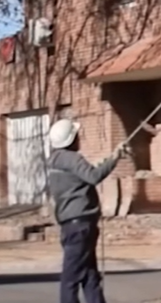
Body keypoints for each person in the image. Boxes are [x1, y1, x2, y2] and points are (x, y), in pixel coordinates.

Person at [46, 118, 127, 303]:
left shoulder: (55, 161)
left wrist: (110, 157)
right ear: (72, 139)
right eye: (77, 135)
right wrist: (115, 158)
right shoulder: (72, 159)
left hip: (70, 225)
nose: (79, 138)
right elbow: (93, 176)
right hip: (81, 225)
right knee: (71, 278)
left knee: (90, 275)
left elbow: (84, 173)